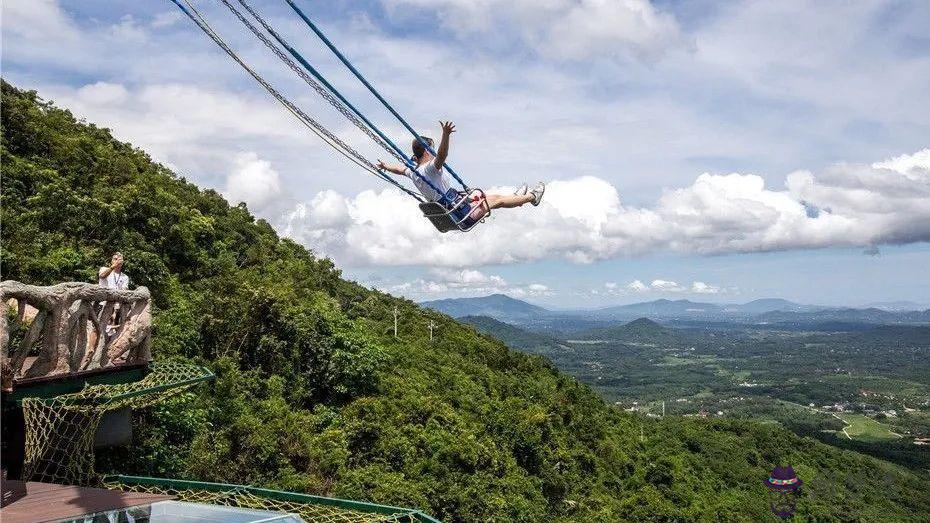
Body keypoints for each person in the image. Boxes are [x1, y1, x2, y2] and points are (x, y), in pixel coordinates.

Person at [377, 121, 545, 212]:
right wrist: (446, 135)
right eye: (432, 149)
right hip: (459, 211)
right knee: (498, 201)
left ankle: (516, 198)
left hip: (453, 205)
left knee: (489, 196)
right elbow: (442, 156)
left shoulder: (414, 172)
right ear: (428, 151)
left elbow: (399, 170)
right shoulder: (429, 169)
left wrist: (385, 166)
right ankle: (532, 197)